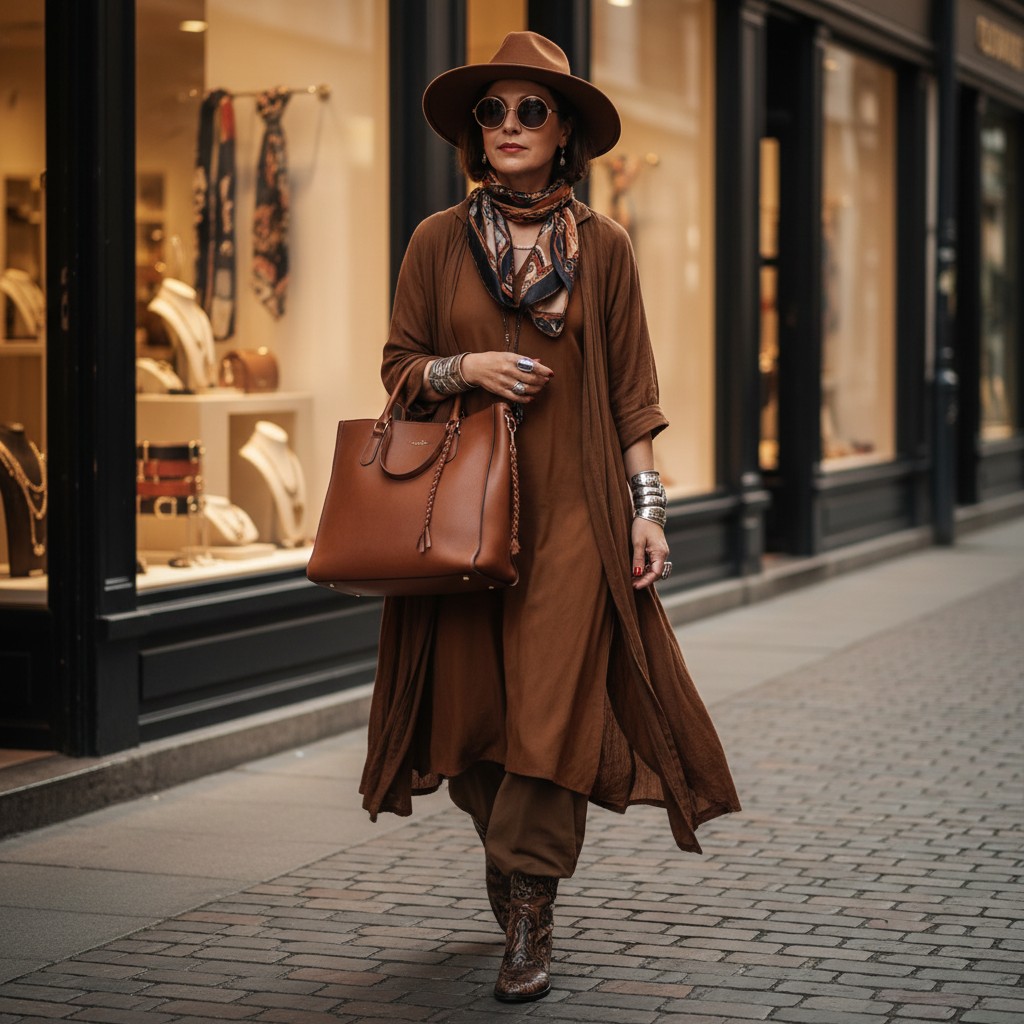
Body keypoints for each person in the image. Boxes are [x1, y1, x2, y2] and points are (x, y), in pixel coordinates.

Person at [358, 31, 740, 1003]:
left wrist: (647, 510)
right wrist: (466, 369)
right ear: (474, 133)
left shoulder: (604, 248)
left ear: (564, 130)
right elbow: (399, 367)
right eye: (494, 111)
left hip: (575, 513)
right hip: (459, 514)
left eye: (532, 110)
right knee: (475, 717)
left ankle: (530, 908)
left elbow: (634, 396)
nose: (511, 125)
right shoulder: (436, 240)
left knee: (553, 706)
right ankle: (507, 845)